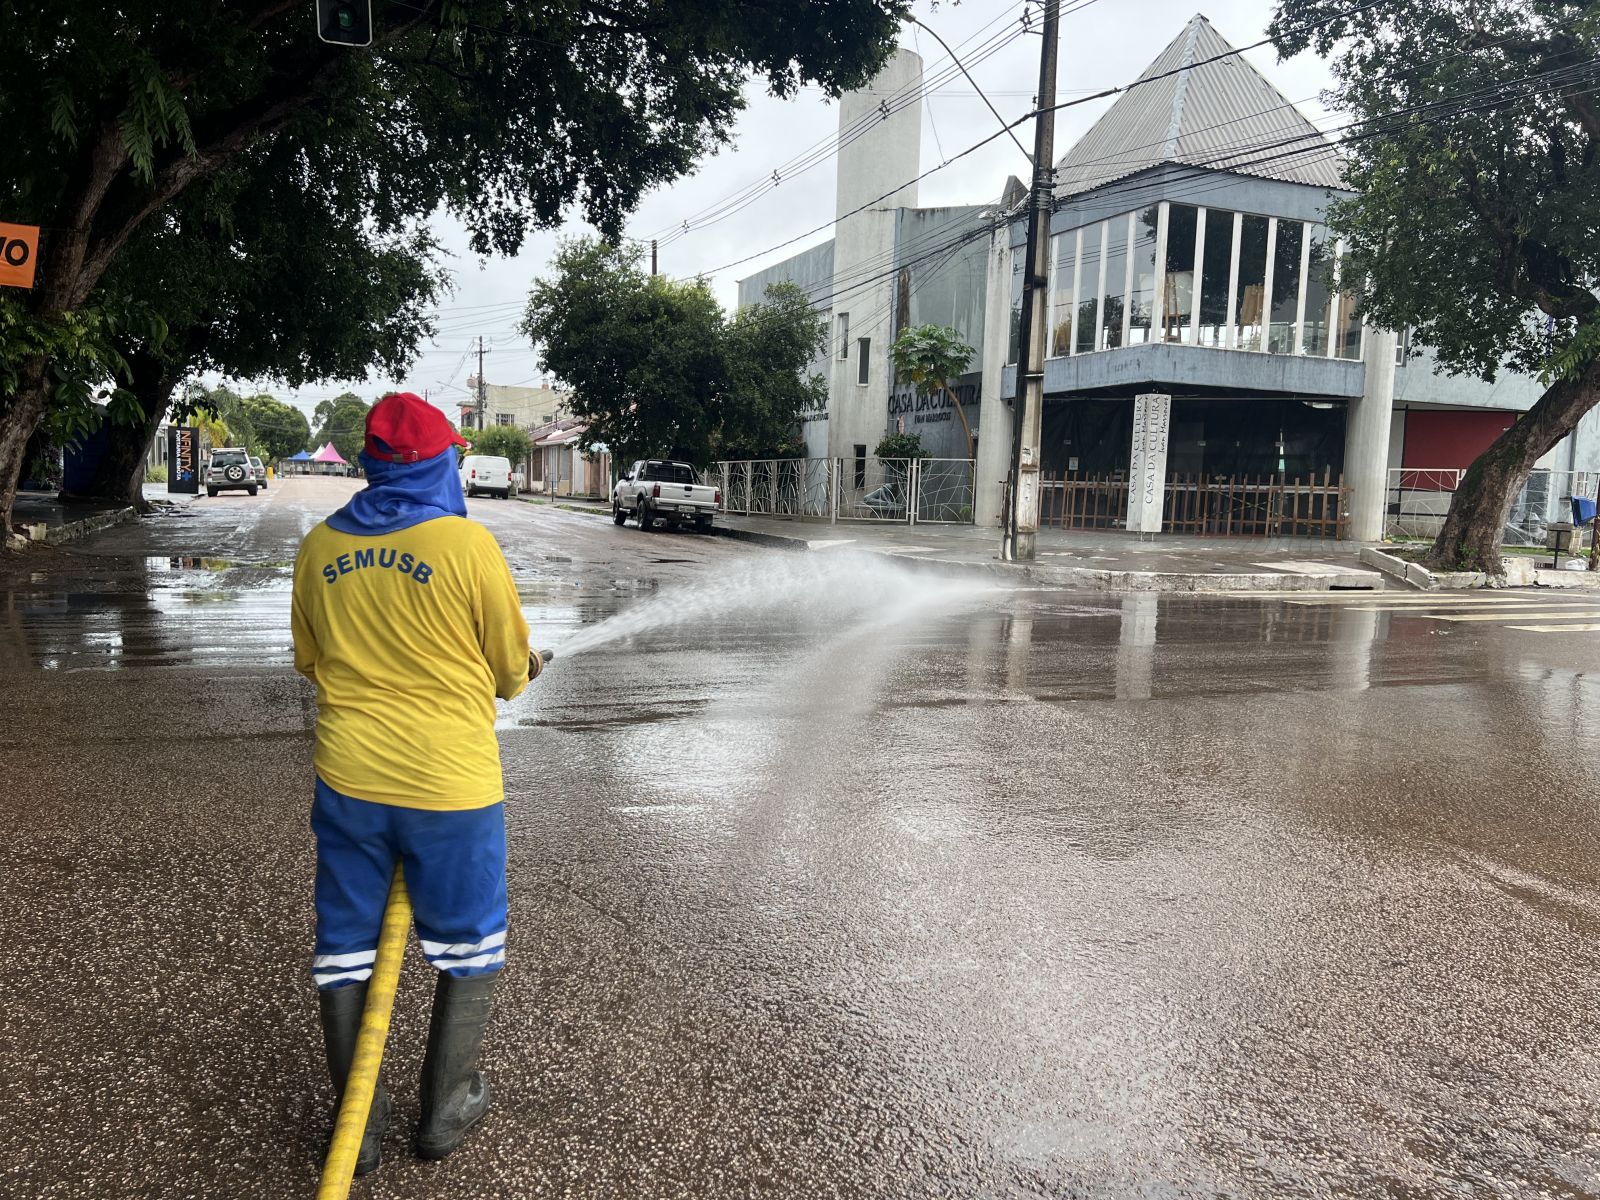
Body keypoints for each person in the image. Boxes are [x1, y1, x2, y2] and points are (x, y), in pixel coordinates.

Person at [291, 391, 539, 1174]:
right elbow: (507, 674)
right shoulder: (468, 548)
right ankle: (446, 1104)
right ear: (441, 463)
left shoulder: (319, 548)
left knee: (346, 942)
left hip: (350, 779)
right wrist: (520, 668)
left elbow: (311, 661)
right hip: (450, 787)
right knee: (469, 944)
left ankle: (357, 1128)